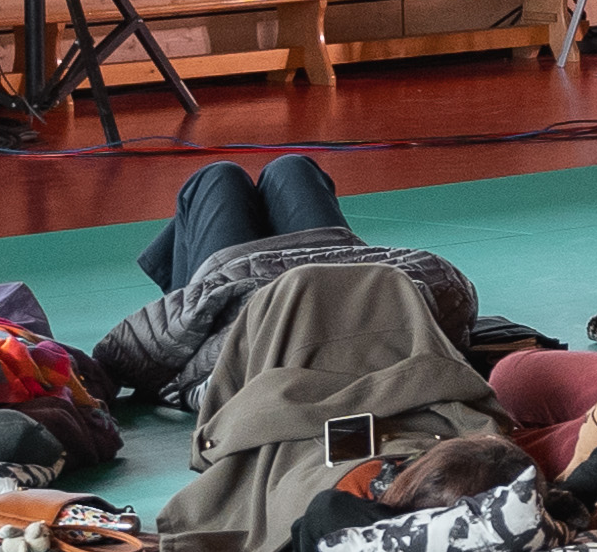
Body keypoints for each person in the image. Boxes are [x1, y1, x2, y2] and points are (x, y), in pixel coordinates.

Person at [89, 155, 494, 407]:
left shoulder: (247, 374)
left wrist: (109, 373)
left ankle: (181, 269)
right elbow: (451, 296)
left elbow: (142, 352)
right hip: (340, 267)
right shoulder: (415, 353)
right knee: (290, 168)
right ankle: (185, 268)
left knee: (219, 177)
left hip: (247, 286)